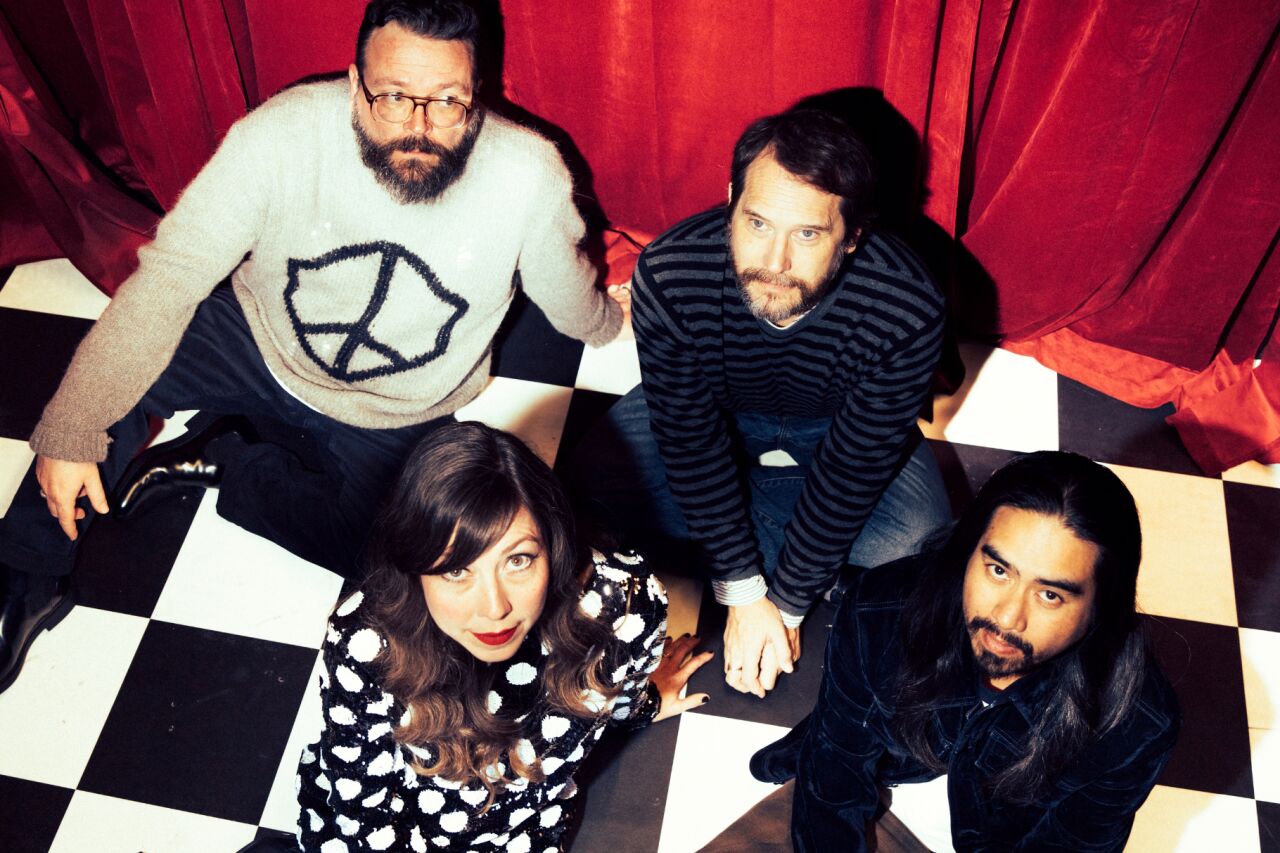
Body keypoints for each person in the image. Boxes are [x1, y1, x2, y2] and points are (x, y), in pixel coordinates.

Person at [0, 0, 625, 693]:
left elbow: (565, 293)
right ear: (355, 82)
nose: (417, 127)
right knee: (101, 392)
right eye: (393, 96)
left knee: (401, 574)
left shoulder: (529, 175)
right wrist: (71, 427)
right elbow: (169, 276)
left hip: (399, 411)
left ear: (476, 95)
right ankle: (26, 568)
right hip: (256, 339)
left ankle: (234, 462)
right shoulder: (282, 134)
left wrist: (604, 323)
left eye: (446, 101)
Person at [569, 107, 950, 699]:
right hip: (714, 410)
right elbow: (690, 438)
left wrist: (786, 604)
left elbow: (855, 465)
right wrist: (745, 594)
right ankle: (793, 541)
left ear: (852, 235)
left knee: (917, 539)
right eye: (757, 223)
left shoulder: (908, 304)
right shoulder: (670, 273)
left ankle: (751, 535)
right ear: (731, 201)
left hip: (836, 428)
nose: (774, 262)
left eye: (808, 234)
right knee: (585, 485)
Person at [289, 421, 711, 852]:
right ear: (415, 569)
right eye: (457, 570)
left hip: (523, 833)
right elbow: (364, 814)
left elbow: (621, 694)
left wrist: (643, 704)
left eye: (518, 560)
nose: (495, 608)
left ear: (552, 545)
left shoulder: (623, 601)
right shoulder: (365, 645)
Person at [750, 451, 1180, 852]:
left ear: (1102, 606)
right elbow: (837, 772)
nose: (1008, 618)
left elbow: (1073, 844)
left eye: (1050, 595)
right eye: (998, 570)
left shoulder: (1136, 723)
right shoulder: (876, 612)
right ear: (968, 551)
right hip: (897, 747)